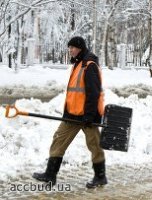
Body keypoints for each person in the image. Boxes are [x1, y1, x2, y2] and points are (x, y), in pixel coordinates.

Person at [32, 36, 107, 189]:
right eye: (69, 47)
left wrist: (89, 116)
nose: (70, 50)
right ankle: (50, 175)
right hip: (72, 115)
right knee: (59, 139)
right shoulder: (78, 64)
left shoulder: (89, 65)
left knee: (94, 145)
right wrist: (67, 111)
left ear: (80, 48)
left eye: (72, 47)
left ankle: (100, 177)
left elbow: (93, 93)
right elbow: (74, 93)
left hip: (87, 116)